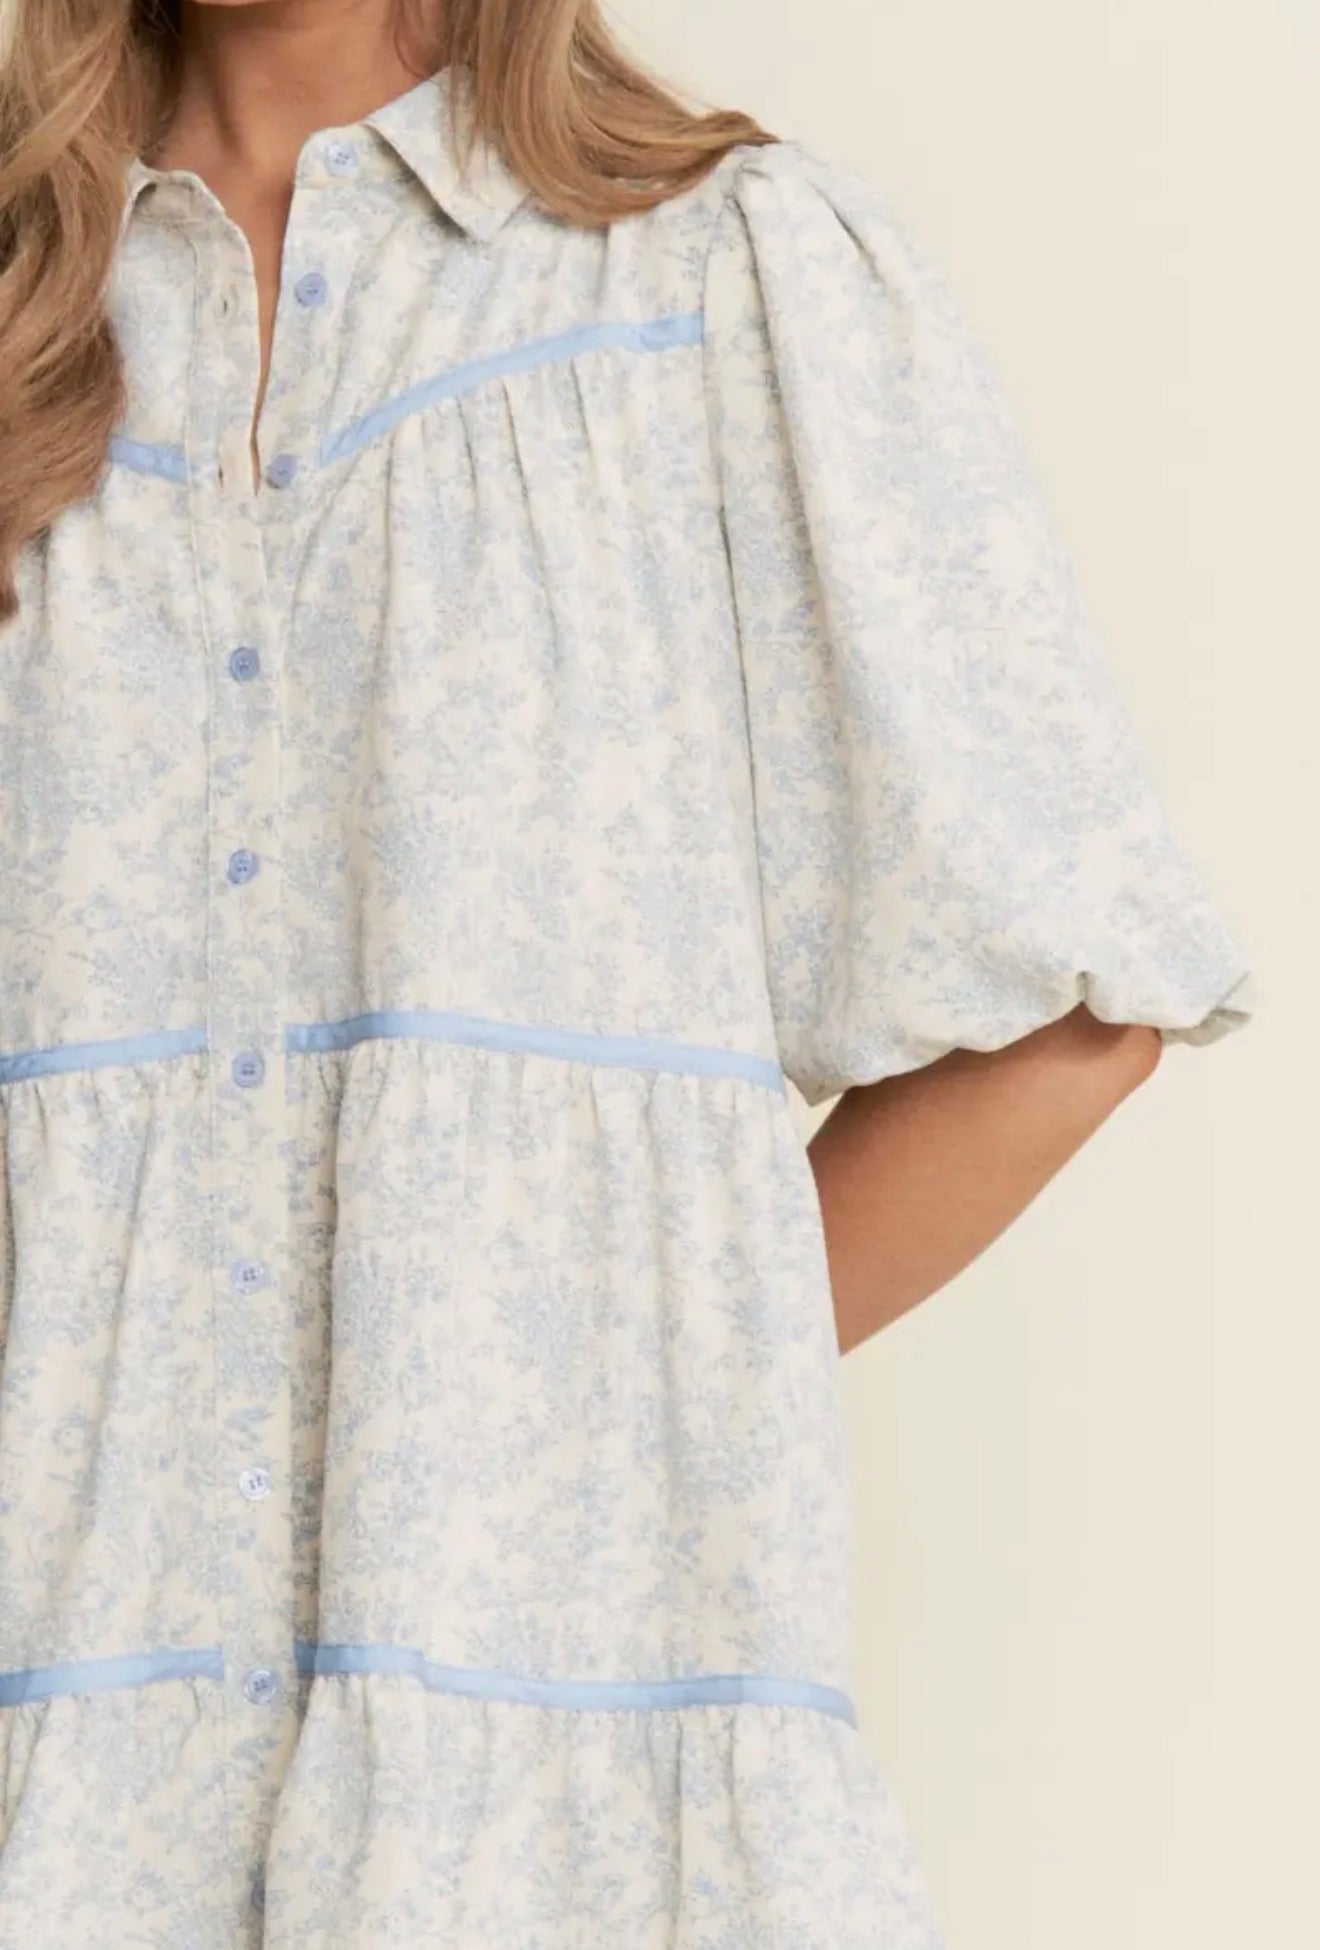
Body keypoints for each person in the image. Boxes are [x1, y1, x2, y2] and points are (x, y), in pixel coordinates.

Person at [0, 1, 1254, 1945]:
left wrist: (604, 1405)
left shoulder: (718, 288)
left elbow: (1064, 1009)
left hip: (564, 1795)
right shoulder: (22, 334)